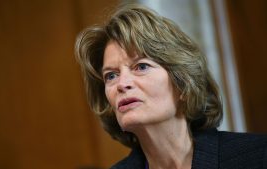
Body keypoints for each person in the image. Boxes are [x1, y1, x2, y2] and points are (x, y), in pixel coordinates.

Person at [75, 3, 267, 169]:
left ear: (183, 83)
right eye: (111, 75)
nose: (122, 84)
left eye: (141, 66)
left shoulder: (257, 156)